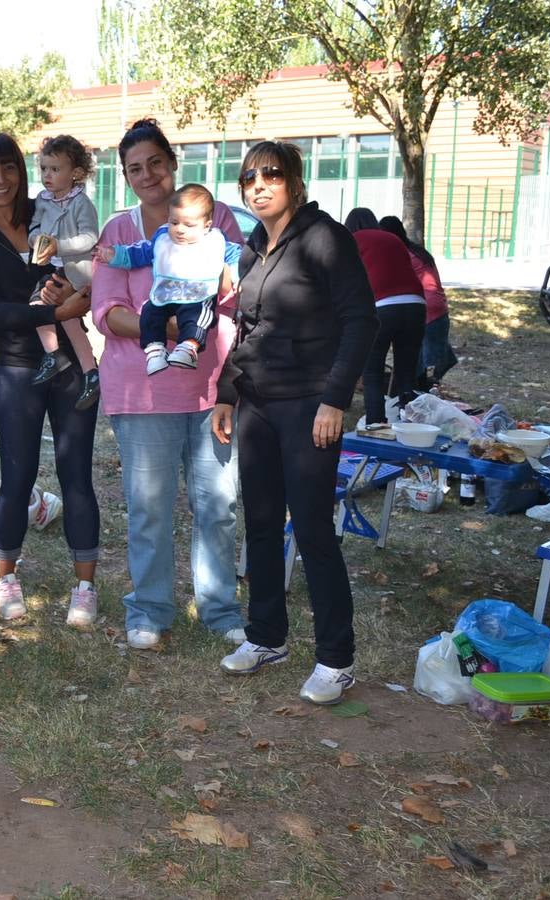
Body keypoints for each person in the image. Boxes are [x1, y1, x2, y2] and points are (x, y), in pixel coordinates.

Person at [211, 141, 378, 705]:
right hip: (258, 404)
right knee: (259, 525)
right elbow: (247, 329)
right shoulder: (254, 248)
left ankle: (336, 658)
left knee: (311, 529)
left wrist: (335, 400)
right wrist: (226, 393)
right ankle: (267, 638)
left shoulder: (325, 237)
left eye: (271, 175)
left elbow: (361, 321)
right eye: (248, 178)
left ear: (295, 181)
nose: (259, 185)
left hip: (309, 406)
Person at [91, 119, 247, 650]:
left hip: (211, 391)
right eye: (135, 168)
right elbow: (108, 313)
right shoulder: (120, 232)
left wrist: (188, 323)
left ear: (172, 161)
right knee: (150, 507)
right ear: (126, 176)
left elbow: (235, 293)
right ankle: (150, 610)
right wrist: (175, 326)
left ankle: (221, 610)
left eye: (155, 162)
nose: (147, 174)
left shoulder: (215, 216)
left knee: (218, 504)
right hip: (142, 391)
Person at [0, 133, 99, 627]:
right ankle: (5, 577)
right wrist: (54, 310)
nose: (0, 180)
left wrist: (70, 296)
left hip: (72, 367)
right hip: (16, 368)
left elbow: (91, 256)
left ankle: (85, 586)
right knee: (17, 477)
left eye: (9, 169)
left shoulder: (46, 212)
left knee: (77, 475)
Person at [100, 182, 239, 375]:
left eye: (189, 225)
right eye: (174, 222)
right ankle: (155, 348)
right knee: (150, 312)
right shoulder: (163, 238)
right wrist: (115, 255)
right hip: (167, 292)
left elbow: (237, 257)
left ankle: (189, 347)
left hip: (197, 293)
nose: (180, 230)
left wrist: (238, 275)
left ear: (207, 225)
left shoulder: (215, 241)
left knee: (198, 316)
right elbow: (141, 252)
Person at [27, 135, 101, 410]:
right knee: (51, 311)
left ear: (76, 173)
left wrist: (60, 245)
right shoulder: (43, 201)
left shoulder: (81, 203)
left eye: (55, 169)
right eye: (44, 168)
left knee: (51, 308)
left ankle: (63, 358)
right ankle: (85, 369)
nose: (47, 175)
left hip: (76, 271)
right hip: (54, 266)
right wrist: (38, 241)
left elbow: (90, 238)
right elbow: (34, 228)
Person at [344, 207, 424, 426]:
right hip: (416, 305)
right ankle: (411, 426)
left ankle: (375, 425)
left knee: (372, 371)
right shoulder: (392, 238)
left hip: (382, 307)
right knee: (407, 374)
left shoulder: (351, 240)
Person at [379, 214, 457, 389]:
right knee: (422, 356)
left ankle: (415, 391)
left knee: (416, 360)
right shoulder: (418, 251)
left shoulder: (400, 253)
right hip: (439, 307)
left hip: (424, 308)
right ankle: (421, 387)